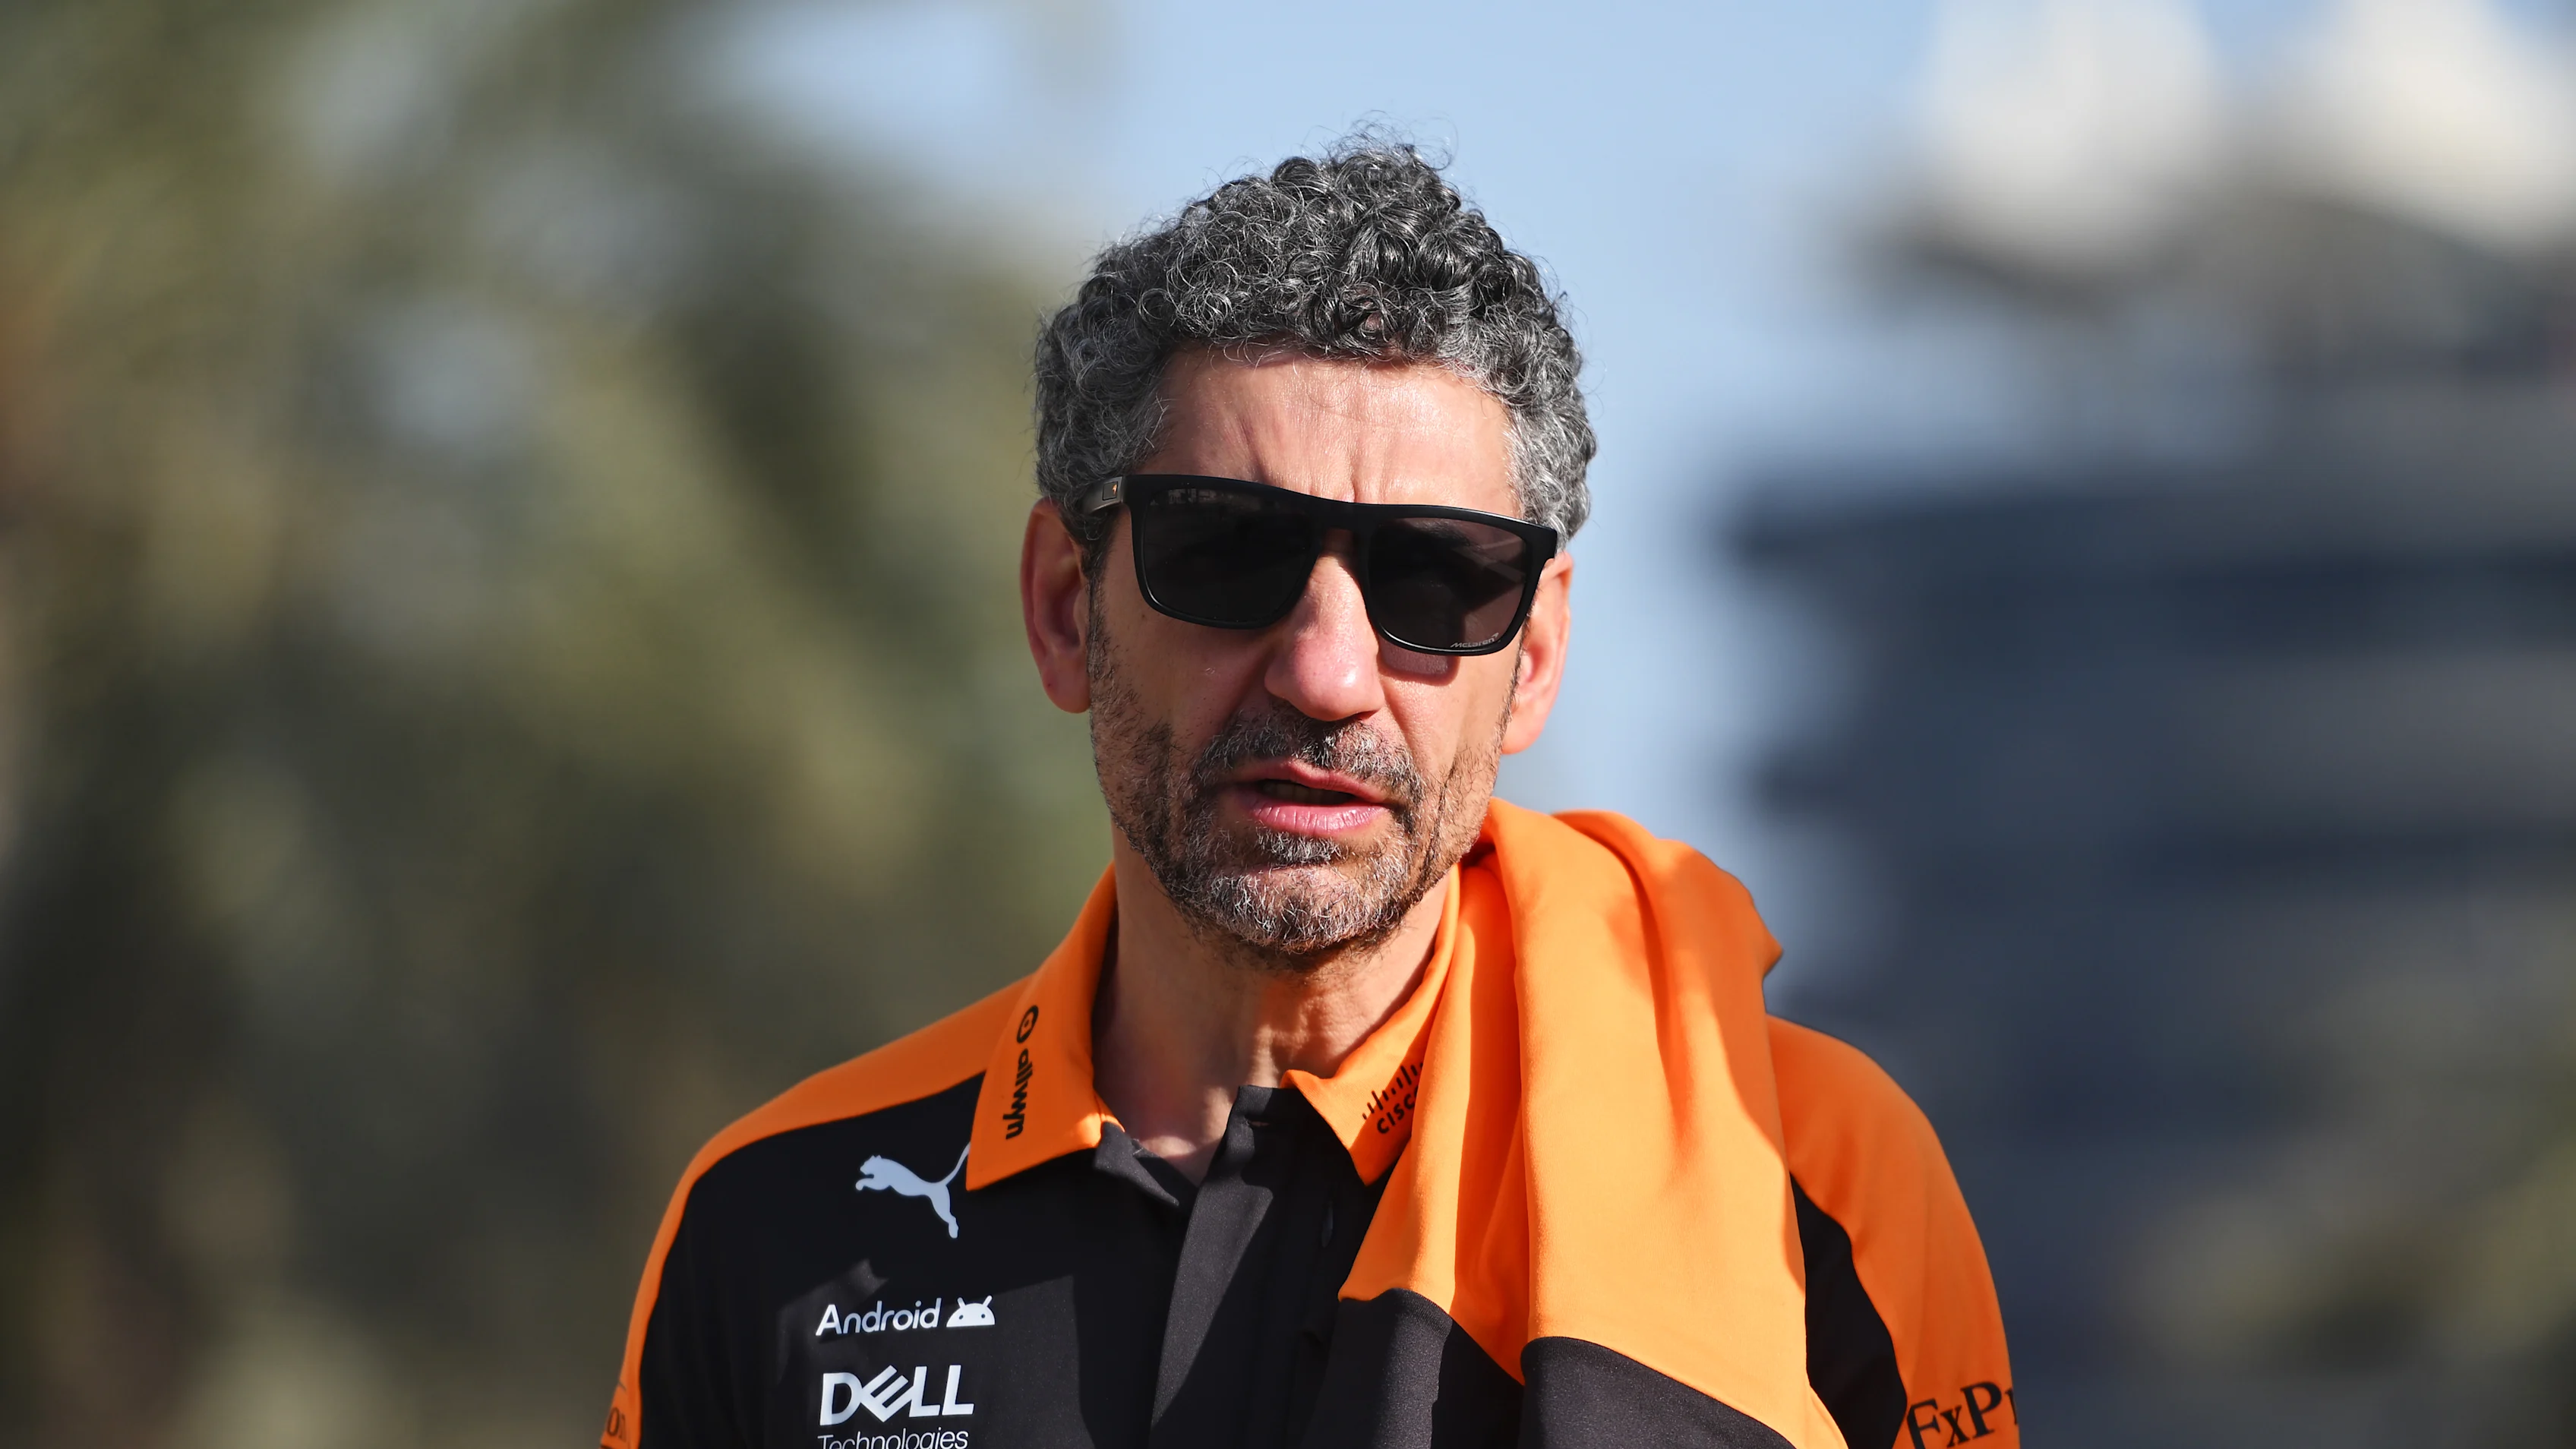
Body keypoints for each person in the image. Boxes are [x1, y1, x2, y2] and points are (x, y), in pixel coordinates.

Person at [602, 140, 2015, 1449]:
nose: (1329, 672)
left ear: (1534, 662)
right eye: (1226, 555)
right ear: (1058, 608)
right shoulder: (773, 1227)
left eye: (1433, 580)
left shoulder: (1815, 1179)